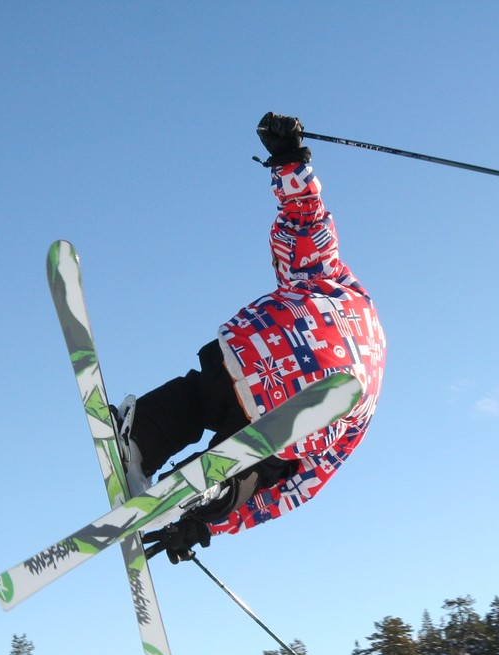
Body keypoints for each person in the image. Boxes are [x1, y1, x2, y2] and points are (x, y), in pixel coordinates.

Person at [129, 112, 386, 563]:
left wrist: (289, 160)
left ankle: (139, 437)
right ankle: (210, 490)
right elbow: (303, 484)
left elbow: (306, 221)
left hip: (257, 350)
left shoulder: (329, 278)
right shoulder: (365, 405)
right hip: (310, 411)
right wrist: (205, 523)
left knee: (199, 397)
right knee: (261, 466)